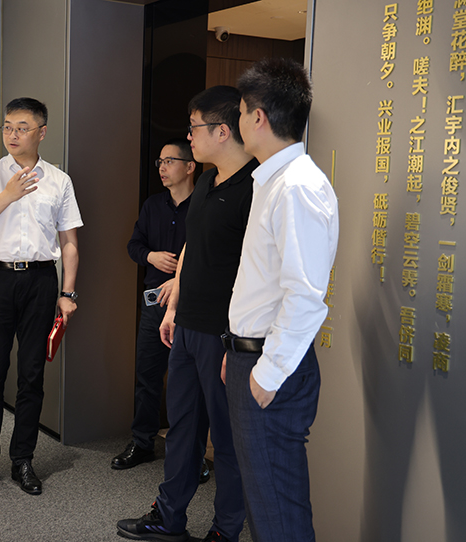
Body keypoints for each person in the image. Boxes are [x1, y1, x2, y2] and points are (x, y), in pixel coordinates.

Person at [117, 86, 257, 542]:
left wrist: (237, 342)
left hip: (224, 335)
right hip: (187, 328)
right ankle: (168, 516)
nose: (190, 137)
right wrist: (173, 307)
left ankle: (225, 530)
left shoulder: (255, 187)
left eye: (195, 128)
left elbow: (257, 273)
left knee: (228, 439)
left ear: (222, 130)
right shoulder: (207, 184)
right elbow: (190, 252)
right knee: (181, 428)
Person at [222, 58, 339, 542]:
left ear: (258, 117)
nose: (238, 121)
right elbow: (264, 284)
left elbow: (305, 295)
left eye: (240, 112)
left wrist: (267, 371)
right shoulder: (273, 181)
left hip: (271, 367)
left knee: (278, 514)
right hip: (252, 356)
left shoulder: (296, 187)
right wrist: (236, 346)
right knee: (265, 504)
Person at [0, 97, 82, 496]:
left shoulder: (59, 180)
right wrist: (8, 194)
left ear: (41, 132)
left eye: (22, 128)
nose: (12, 134)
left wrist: (67, 292)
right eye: (7, 127)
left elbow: (69, 243)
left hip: (41, 280)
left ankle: (23, 459)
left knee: (32, 374)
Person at [113, 139, 205, 480]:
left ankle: (192, 454)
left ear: (190, 166)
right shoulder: (153, 205)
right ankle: (142, 442)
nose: (162, 168)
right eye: (160, 162)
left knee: (190, 383)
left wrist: (181, 276)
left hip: (191, 304)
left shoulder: (204, 204)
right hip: (154, 303)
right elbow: (133, 245)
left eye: (170, 161)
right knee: (147, 375)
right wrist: (151, 256)